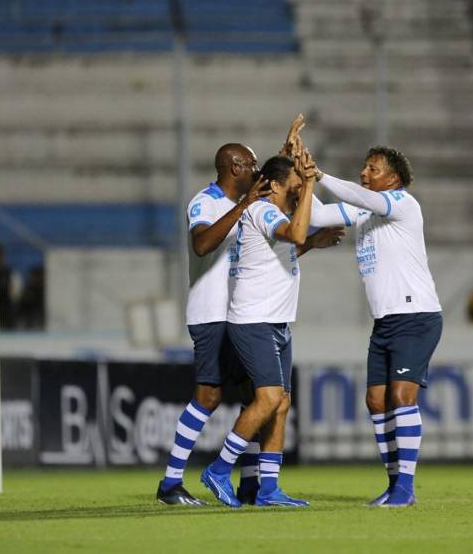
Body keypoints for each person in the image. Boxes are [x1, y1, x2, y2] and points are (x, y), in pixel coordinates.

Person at [158, 120, 342, 506]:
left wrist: (289, 154)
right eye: (252, 165)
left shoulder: (259, 205)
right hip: (212, 311)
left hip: (245, 310)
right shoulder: (205, 202)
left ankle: (255, 484)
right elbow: (203, 244)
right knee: (209, 396)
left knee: (259, 399)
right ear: (235, 168)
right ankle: (172, 481)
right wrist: (244, 205)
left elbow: (269, 257)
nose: (259, 172)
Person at [307, 144, 442, 508]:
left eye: (373, 169)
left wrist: (320, 175)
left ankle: (405, 488)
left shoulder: (402, 203)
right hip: (385, 321)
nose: (365, 173)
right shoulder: (364, 210)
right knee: (376, 400)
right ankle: (395, 484)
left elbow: (359, 196)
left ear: (394, 178)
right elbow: (317, 217)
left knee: (401, 397)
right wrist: (300, 178)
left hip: (416, 316)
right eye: (363, 168)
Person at [200, 151, 318, 508]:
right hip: (254, 321)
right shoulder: (264, 210)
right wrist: (311, 184)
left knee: (281, 403)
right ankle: (219, 470)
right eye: (295, 180)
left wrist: (314, 241)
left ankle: (269, 488)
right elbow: (296, 233)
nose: (300, 185)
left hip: (276, 320)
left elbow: (284, 251)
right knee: (267, 399)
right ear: (278, 184)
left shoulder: (274, 212)